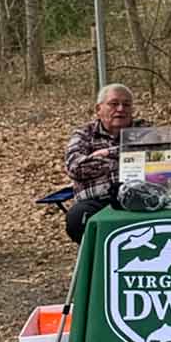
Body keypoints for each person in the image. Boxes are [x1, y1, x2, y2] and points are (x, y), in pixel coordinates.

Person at [63, 84, 148, 243]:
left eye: (126, 104)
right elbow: (75, 168)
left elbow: (163, 157)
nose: (121, 109)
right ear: (98, 109)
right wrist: (129, 156)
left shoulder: (145, 129)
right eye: (114, 104)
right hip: (97, 200)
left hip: (141, 196)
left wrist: (108, 154)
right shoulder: (84, 134)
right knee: (76, 218)